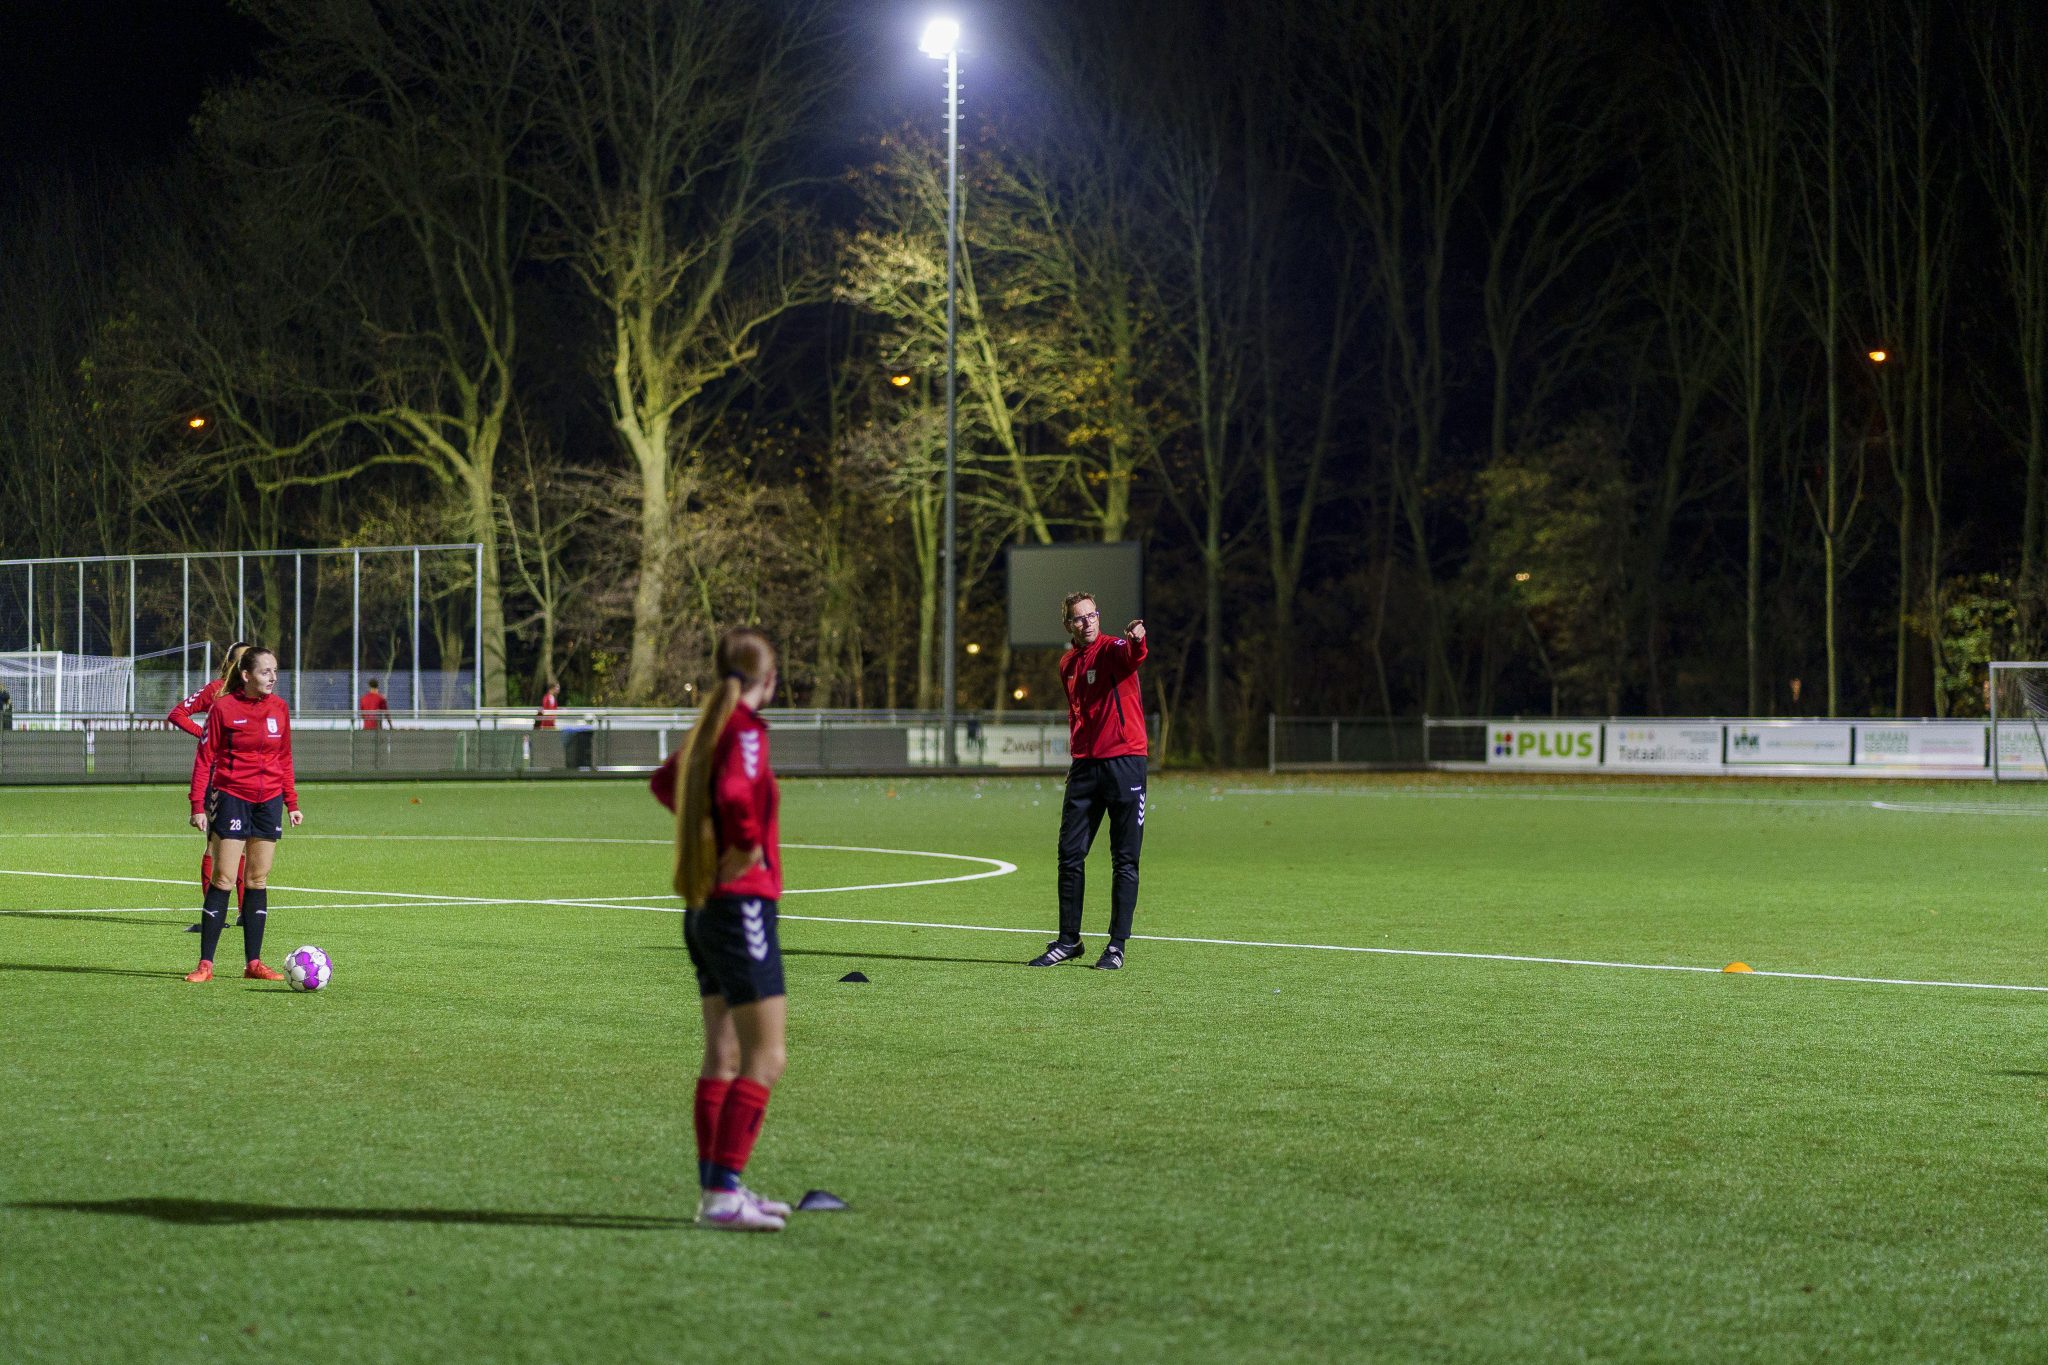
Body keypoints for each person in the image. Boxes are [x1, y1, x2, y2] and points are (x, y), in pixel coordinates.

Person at [649, 631, 791, 1231]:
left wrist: (704, 847)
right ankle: (724, 1193)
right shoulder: (746, 731)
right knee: (767, 1056)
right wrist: (745, 847)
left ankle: (718, 1194)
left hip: (705, 910)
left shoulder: (709, 727)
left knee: (724, 1054)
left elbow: (666, 782)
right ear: (769, 677)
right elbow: (736, 793)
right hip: (741, 909)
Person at [1028, 592, 1149, 971]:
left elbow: (1134, 655)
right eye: (1079, 618)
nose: (1088, 622)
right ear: (1069, 625)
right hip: (1085, 768)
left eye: (1092, 614)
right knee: (1069, 854)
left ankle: (1116, 946)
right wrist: (1078, 756)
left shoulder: (1114, 647)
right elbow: (1077, 714)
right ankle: (1069, 941)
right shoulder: (1067, 663)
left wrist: (1137, 639)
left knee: (1124, 859)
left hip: (1125, 764)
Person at [186, 646, 302, 984]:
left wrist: (291, 802)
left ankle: (254, 963)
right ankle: (205, 964)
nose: (273, 677)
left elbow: (285, 758)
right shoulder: (224, 708)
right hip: (233, 797)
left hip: (269, 801)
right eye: (266, 671)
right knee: (223, 878)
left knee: (257, 880)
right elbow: (205, 758)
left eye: (275, 671)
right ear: (247, 674)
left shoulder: (280, 709)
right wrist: (197, 805)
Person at [169, 644, 252, 933]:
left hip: (250, 780)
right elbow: (178, 713)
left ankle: (246, 912)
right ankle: (214, 914)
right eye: (243, 659)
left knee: (247, 847)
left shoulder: (256, 696)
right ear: (230, 663)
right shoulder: (216, 690)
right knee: (216, 846)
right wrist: (205, 735)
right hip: (219, 778)